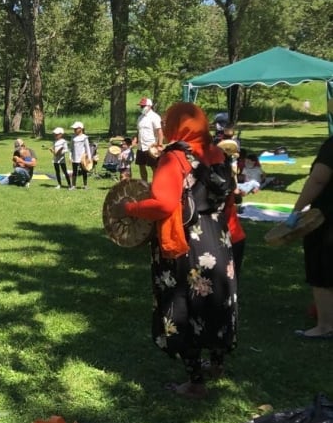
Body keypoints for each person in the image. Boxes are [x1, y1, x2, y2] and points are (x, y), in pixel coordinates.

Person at [112, 102, 237, 399]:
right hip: (217, 240)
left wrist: (128, 207)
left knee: (182, 305)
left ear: (176, 125)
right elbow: (230, 195)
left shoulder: (175, 157)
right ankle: (216, 365)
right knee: (216, 302)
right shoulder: (218, 152)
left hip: (185, 244)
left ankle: (195, 381)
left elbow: (164, 205)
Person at [285, 136, 333, 339]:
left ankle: (325, 326)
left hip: (328, 217)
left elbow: (319, 178)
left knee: (323, 269)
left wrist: (296, 211)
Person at [133, 97, 164, 182]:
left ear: (149, 106)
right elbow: (138, 131)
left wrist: (159, 145)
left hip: (151, 146)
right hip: (141, 146)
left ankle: (155, 185)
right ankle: (144, 185)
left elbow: (160, 132)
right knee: (141, 165)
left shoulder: (155, 117)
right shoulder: (140, 118)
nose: (141, 108)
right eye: (141, 106)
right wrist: (135, 139)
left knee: (154, 167)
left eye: (143, 106)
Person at [69, 121, 92, 190]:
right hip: (75, 157)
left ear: (80, 129)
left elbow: (87, 148)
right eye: (74, 129)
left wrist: (89, 158)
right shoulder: (73, 137)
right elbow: (71, 148)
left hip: (83, 158)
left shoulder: (85, 137)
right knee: (74, 171)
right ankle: (73, 185)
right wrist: (70, 156)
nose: (74, 130)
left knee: (84, 171)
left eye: (76, 128)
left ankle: (85, 185)